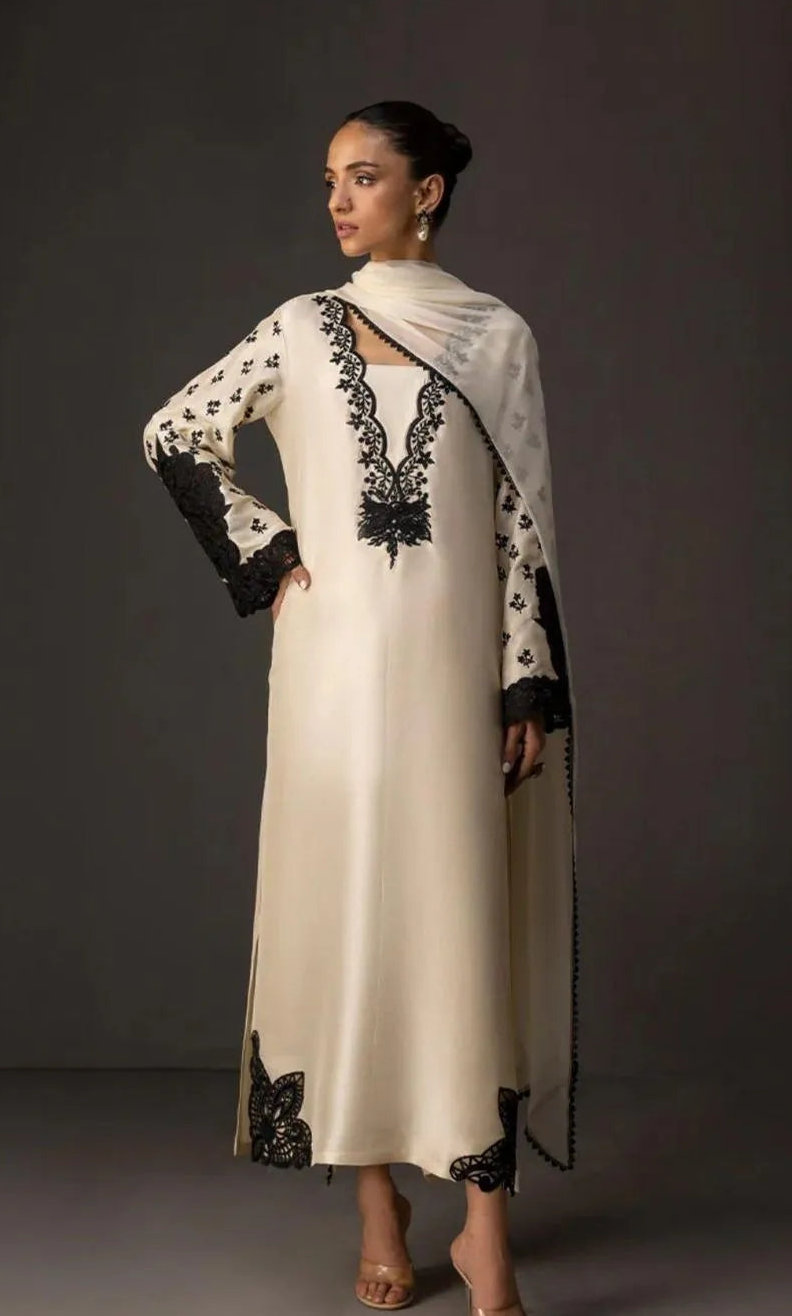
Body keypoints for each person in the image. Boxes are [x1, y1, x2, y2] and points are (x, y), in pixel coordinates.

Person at [141, 100, 578, 1316]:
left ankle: (485, 1229)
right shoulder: (301, 325)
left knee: (459, 926)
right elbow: (175, 432)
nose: (338, 199)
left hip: (453, 677)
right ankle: (379, 1206)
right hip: (330, 676)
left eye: (365, 176)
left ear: (426, 191)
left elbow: (521, 530)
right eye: (331, 178)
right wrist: (270, 552)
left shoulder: (496, 338)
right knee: (350, 920)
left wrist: (524, 678)